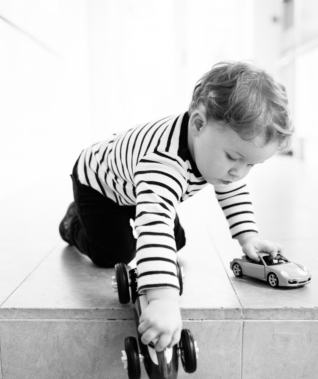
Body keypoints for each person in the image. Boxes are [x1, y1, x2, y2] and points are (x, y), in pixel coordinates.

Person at [59, 60, 293, 353]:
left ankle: (113, 213)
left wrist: (248, 236)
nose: (239, 172)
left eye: (251, 164)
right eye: (234, 158)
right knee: (116, 253)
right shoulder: (163, 163)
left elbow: (230, 187)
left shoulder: (216, 151)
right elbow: (154, 224)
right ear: (198, 124)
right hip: (100, 186)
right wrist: (163, 300)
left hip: (138, 187)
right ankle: (73, 222)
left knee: (177, 241)